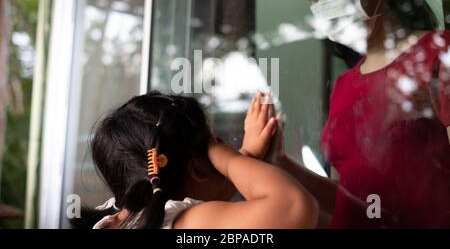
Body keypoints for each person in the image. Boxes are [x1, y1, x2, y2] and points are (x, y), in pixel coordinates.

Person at [248, 0, 450, 228]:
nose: (322, 6)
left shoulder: (438, 54)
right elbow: (349, 201)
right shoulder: (344, 86)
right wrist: (281, 165)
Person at [70, 91, 318, 229]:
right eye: (217, 144)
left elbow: (206, 197)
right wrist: (229, 158)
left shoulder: (125, 213)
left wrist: (248, 155)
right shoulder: (186, 225)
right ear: (198, 168)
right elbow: (294, 207)